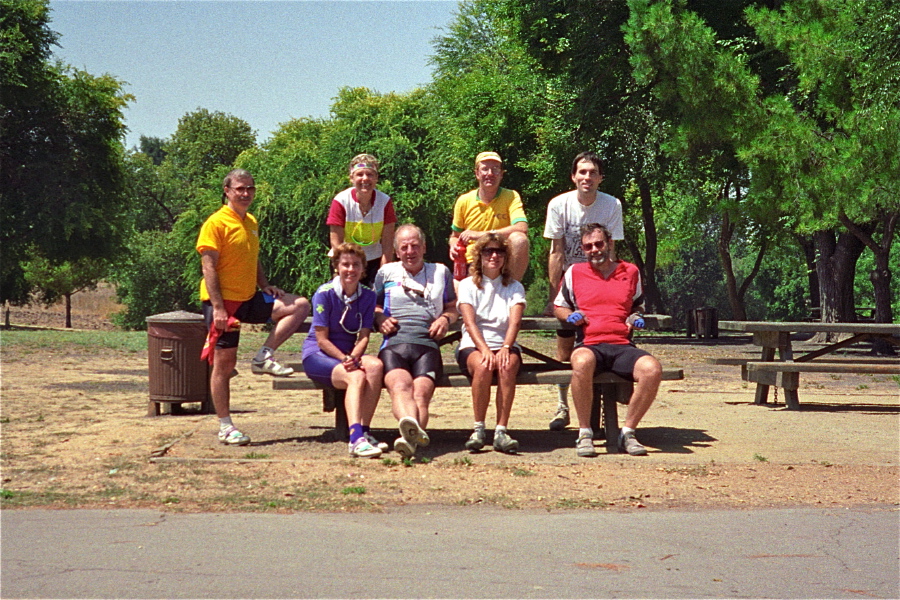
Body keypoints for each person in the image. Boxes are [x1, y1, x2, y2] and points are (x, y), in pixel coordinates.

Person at [197, 169, 310, 446]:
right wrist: (219, 308)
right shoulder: (215, 223)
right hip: (223, 304)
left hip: (249, 298)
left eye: (250, 188)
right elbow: (208, 267)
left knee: (299, 305)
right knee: (224, 366)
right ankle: (226, 426)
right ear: (227, 191)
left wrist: (265, 285)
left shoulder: (251, 221)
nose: (245, 193)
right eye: (240, 188)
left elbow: (252, 256)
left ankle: (263, 356)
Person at [553, 223, 662, 457]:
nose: (594, 250)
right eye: (588, 246)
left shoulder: (630, 271)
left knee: (652, 369)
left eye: (598, 244)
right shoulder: (574, 272)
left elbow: (638, 304)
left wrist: (636, 316)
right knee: (581, 362)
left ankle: (628, 432)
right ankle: (585, 433)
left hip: (622, 345)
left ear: (609, 244)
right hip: (589, 344)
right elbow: (559, 306)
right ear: (583, 249)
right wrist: (570, 316)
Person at [543, 152, 624, 431]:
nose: (587, 177)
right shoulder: (559, 204)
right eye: (582, 172)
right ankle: (562, 405)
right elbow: (556, 252)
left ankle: (603, 409)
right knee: (564, 348)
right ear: (573, 177)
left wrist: (613, 291)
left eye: (592, 172)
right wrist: (556, 297)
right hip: (570, 282)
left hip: (598, 282)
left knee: (604, 343)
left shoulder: (612, 204)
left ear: (600, 178)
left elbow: (611, 250)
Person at [374, 224, 458, 458]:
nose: (410, 251)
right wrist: (380, 318)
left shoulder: (440, 271)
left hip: (427, 346)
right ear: (396, 251)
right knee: (400, 387)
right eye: (404, 247)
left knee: (421, 393)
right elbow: (374, 305)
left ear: (424, 248)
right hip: (394, 345)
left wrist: (445, 319)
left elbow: (453, 307)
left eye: (415, 246)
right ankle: (411, 438)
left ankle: (408, 440)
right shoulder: (386, 272)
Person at [301, 243, 385, 458]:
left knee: (375, 366)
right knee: (356, 376)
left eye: (356, 265)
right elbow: (321, 340)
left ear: (363, 269)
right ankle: (355, 439)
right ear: (337, 267)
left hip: (348, 355)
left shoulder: (367, 296)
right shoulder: (324, 294)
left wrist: (353, 356)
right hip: (319, 355)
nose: (351, 269)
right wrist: (344, 358)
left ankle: (364, 431)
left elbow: (364, 336)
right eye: (345, 264)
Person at [457, 232, 526, 454]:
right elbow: (469, 323)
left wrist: (506, 347)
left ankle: (501, 431)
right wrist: (485, 350)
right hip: (474, 345)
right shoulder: (467, 285)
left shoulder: (515, 287)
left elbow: (515, 322)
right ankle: (478, 429)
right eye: (488, 251)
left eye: (499, 252)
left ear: (506, 257)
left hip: (505, 343)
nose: (494, 256)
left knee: (507, 365)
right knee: (484, 365)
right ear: (479, 256)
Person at [449, 152, 529, 282]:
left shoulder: (511, 196)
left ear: (501, 174)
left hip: (501, 259)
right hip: (474, 261)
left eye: (495, 169)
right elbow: (455, 236)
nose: (490, 174)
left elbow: (522, 227)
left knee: (519, 239)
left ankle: (510, 287)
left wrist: (481, 235)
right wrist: (453, 246)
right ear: (477, 173)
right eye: (485, 169)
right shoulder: (464, 200)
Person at [326, 154, 397, 286]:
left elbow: (388, 243)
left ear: (376, 178)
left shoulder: (385, 202)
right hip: (346, 258)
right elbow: (336, 243)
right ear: (351, 178)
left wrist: (384, 272)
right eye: (360, 174)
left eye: (370, 174)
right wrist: (347, 268)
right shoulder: (341, 201)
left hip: (374, 259)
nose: (365, 178)